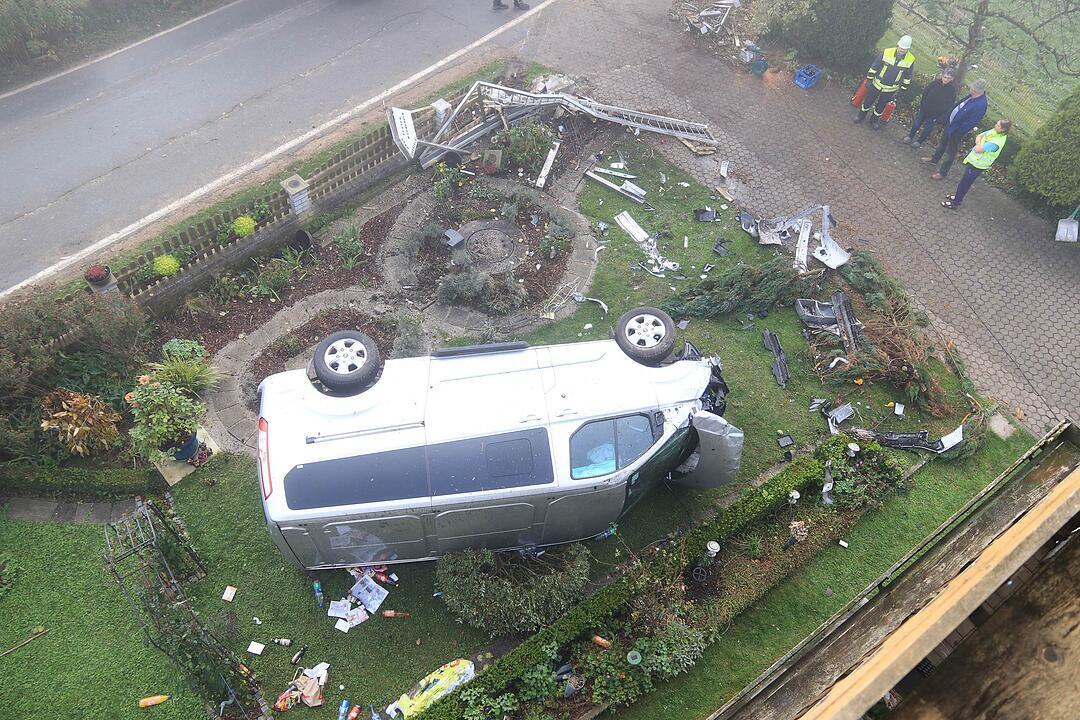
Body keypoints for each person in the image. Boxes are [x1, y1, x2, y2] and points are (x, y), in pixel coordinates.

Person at [923, 78, 989, 179]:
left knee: (950, 152)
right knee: (942, 144)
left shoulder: (981, 105)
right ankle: (934, 159)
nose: (970, 89)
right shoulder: (972, 96)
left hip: (956, 131)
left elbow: (971, 122)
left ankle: (942, 173)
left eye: (972, 88)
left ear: (977, 90)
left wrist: (958, 131)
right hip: (951, 125)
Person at [941, 119, 1011, 209]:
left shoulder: (996, 142)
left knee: (965, 183)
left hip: (978, 165)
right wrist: (979, 144)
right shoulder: (994, 132)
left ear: (1003, 129)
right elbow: (979, 136)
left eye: (998, 125)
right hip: (975, 162)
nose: (995, 126)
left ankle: (955, 203)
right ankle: (958, 198)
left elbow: (977, 149)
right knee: (964, 182)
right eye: (996, 124)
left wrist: (978, 144)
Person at [855, 35, 916, 129]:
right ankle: (860, 116)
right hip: (876, 84)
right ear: (898, 45)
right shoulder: (887, 52)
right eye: (901, 47)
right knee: (868, 101)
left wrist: (903, 90)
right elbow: (875, 65)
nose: (902, 50)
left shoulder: (910, 60)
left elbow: (907, 77)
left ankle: (874, 121)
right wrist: (869, 79)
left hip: (890, 89)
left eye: (904, 49)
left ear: (908, 49)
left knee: (881, 106)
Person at [901, 67, 957, 148]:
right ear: (942, 75)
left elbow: (949, 106)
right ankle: (910, 136)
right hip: (924, 109)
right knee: (916, 124)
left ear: (952, 79)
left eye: (948, 78)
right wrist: (923, 104)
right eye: (944, 77)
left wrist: (940, 117)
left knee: (927, 129)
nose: (945, 79)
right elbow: (926, 92)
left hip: (935, 115)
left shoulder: (952, 91)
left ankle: (919, 142)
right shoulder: (935, 83)